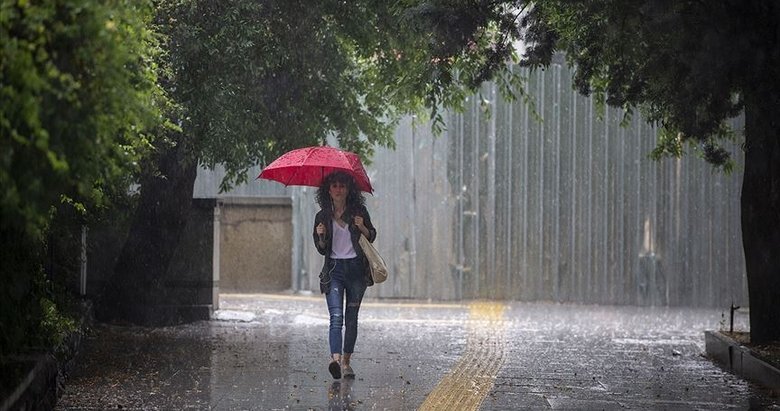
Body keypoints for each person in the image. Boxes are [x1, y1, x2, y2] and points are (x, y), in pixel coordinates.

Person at [313, 171, 377, 380]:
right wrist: (322, 236)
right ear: (328, 190)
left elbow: (372, 236)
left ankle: (347, 362)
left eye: (342, 186)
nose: (338, 189)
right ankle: (335, 359)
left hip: (357, 271)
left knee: (351, 319)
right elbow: (322, 248)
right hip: (334, 271)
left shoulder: (358, 211)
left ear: (349, 189)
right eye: (334, 186)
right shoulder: (322, 216)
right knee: (336, 317)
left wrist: (362, 227)